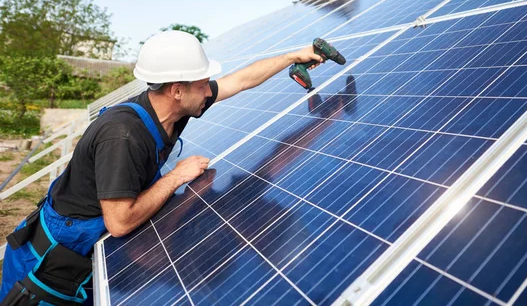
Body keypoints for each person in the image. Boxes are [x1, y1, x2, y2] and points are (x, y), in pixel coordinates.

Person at [0, 30, 325, 305]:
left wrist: (293, 58)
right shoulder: (123, 136)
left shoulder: (175, 107)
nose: (209, 88)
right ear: (177, 90)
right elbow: (120, 224)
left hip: (84, 252)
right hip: (51, 265)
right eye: (202, 83)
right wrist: (177, 179)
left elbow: (238, 81)